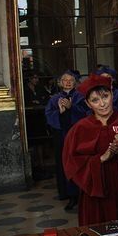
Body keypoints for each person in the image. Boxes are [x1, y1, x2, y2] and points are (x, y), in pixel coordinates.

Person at [62, 74, 118, 226]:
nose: (102, 104)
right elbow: (72, 164)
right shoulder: (80, 129)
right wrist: (101, 158)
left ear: (112, 95)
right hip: (95, 195)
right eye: (95, 100)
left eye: (105, 96)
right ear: (88, 104)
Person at [44, 70, 86, 210]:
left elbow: (87, 113)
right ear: (60, 83)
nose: (68, 82)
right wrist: (60, 112)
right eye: (65, 80)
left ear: (75, 82)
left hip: (78, 136)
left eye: (70, 80)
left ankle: (81, 193)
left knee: (79, 163)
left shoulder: (81, 97)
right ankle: (68, 194)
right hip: (61, 135)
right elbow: (49, 115)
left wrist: (71, 107)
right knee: (63, 163)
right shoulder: (54, 99)